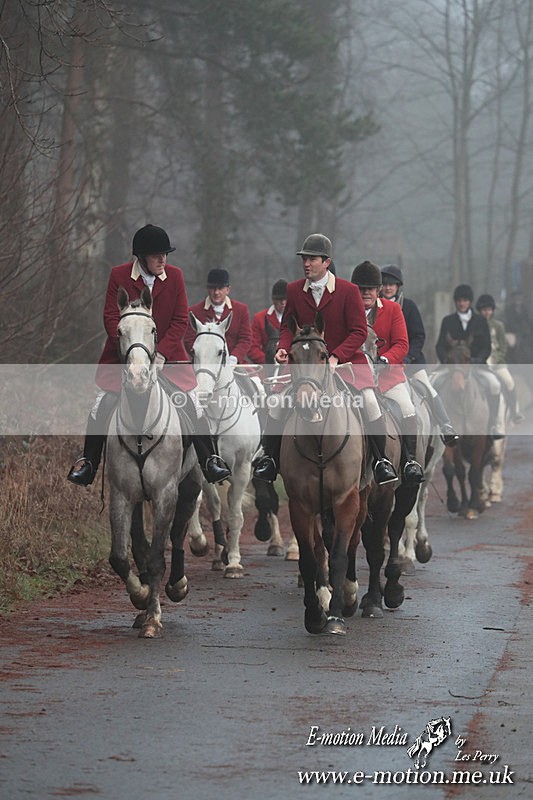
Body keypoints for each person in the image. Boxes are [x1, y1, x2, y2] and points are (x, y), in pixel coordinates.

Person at [67, 224, 231, 487]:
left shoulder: (175, 276)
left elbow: (179, 320)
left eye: (165, 254)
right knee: (101, 404)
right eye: (157, 255)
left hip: (169, 357)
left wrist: (161, 353)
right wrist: (129, 349)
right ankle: (89, 463)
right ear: (141, 257)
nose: (163, 260)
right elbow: (111, 316)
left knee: (193, 403)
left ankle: (209, 459)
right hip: (125, 356)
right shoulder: (118, 275)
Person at [252, 234, 398, 486]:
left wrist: (335, 356)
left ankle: (380, 460)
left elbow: (358, 332)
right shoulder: (294, 290)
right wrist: (284, 347)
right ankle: (270, 458)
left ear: (326, 262)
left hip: (346, 362)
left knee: (369, 401)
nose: (306, 263)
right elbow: (288, 326)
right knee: (277, 402)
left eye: (312, 259)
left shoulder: (348, 290)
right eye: (304, 259)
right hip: (306, 364)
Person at [351, 261, 425, 485]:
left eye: (370, 289)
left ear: (378, 289)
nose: (366, 293)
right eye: (362, 288)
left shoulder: (392, 310)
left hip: (388, 376)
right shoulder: (347, 310)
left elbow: (402, 344)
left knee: (407, 407)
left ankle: (410, 461)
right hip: (354, 378)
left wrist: (385, 359)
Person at [380, 264, 458, 446]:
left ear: (398, 286)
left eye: (392, 284)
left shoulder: (409, 306)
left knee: (427, 388)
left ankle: (445, 426)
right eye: (385, 284)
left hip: (410, 362)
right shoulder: (375, 306)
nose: (388, 287)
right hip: (383, 364)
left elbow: (418, 336)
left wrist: (407, 358)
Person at [435, 284, 504, 438]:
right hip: (452, 366)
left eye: (465, 300)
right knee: (433, 384)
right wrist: (446, 360)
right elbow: (440, 345)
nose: (462, 303)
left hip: (475, 365)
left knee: (495, 384)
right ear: (455, 302)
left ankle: (493, 425)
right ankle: (437, 426)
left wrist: (477, 360)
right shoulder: (448, 320)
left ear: (470, 302)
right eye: (459, 300)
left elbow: (486, 346)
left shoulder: (480, 321)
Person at [184, 267, 252, 363]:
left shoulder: (241, 310)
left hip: (233, 364)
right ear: (207, 289)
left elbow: (245, 339)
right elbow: (189, 340)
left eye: (220, 288)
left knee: (255, 378)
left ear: (228, 290)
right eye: (212, 288)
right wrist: (203, 356)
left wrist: (234, 357)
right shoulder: (194, 311)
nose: (216, 292)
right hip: (204, 364)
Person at [475, 294, 524, 424]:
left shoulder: (498, 326)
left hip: (497, 362)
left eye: (489, 309)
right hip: (481, 362)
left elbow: (503, 347)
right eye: (484, 310)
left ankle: (514, 412)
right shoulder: (474, 325)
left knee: (509, 382)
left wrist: (497, 359)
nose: (487, 312)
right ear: (480, 310)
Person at [248, 279, 287, 365]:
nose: (283, 302)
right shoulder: (260, 318)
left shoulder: (298, 318)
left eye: (286, 299)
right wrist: (269, 361)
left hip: (292, 368)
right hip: (268, 368)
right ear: (273, 300)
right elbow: (252, 348)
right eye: (279, 299)